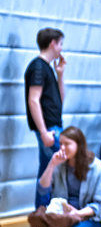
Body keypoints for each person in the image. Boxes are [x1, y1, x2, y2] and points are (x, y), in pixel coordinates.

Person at [35, 127, 101, 227]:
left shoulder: (97, 167)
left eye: (67, 144)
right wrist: (52, 164)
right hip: (63, 217)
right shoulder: (59, 164)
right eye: (60, 144)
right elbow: (42, 189)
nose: (62, 148)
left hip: (88, 217)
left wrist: (78, 213)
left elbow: (99, 204)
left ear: (79, 145)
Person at [25, 28, 66, 208]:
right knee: (53, 169)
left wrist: (60, 75)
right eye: (61, 44)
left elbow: (60, 100)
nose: (61, 48)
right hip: (49, 129)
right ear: (53, 43)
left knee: (47, 169)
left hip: (53, 126)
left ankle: (42, 210)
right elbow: (33, 100)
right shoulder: (38, 67)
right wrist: (43, 131)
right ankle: (44, 210)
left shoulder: (47, 68)